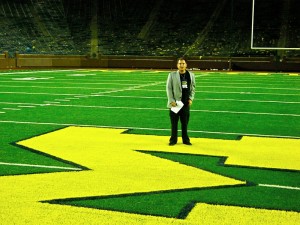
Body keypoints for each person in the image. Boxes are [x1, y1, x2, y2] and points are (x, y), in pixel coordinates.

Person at [166, 57, 196, 146]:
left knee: (185, 123)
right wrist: (171, 100)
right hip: (175, 104)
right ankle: (173, 140)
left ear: (186, 65)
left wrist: (191, 98)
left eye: (183, 63)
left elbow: (193, 88)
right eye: (180, 64)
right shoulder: (172, 75)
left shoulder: (191, 75)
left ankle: (186, 140)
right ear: (177, 65)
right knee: (174, 124)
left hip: (186, 103)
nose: (181, 65)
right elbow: (168, 88)